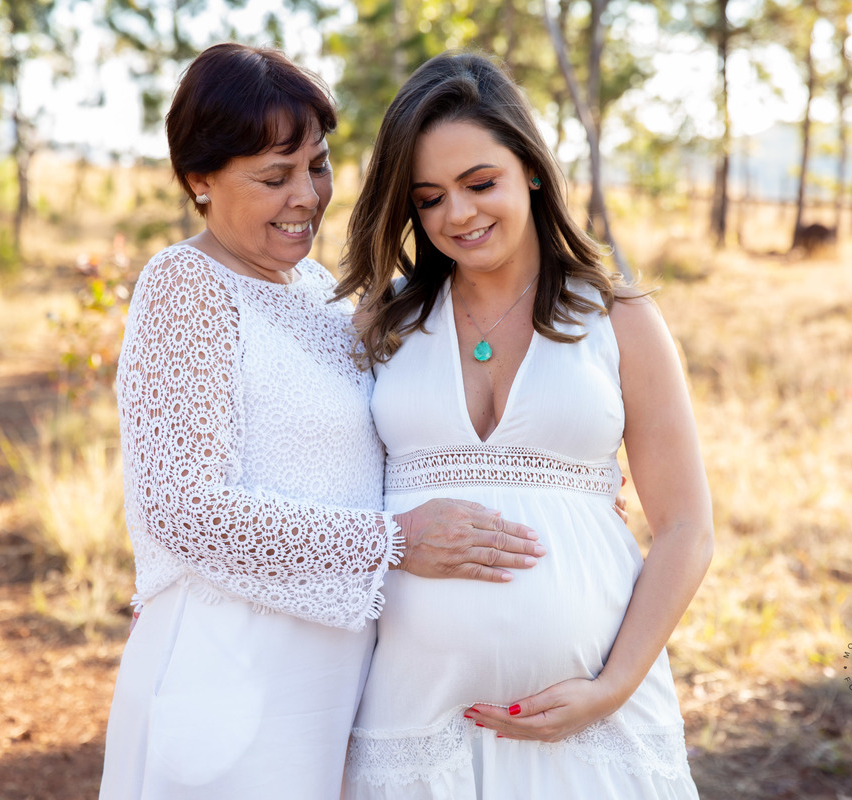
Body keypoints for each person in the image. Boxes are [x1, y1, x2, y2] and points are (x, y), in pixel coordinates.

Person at [97, 43, 548, 800]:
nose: (307, 196)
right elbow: (183, 509)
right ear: (198, 181)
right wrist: (394, 541)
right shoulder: (186, 287)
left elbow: (429, 404)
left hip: (340, 668)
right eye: (274, 177)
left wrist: (552, 475)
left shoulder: (322, 292)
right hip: (230, 664)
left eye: (317, 164)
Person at [335, 51, 714, 799]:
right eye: (430, 197)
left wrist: (611, 687)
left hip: (589, 723)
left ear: (531, 169)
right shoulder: (383, 324)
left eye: (481, 184)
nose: (459, 215)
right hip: (413, 719)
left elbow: (685, 529)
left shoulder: (619, 319)